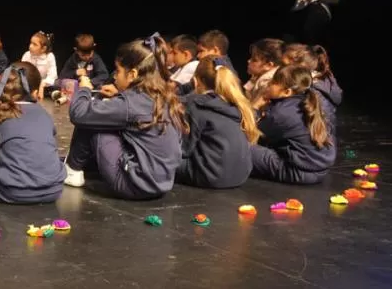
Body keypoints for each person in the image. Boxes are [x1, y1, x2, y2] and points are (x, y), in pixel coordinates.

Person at [63, 34, 188, 199]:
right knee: (106, 115)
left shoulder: (131, 103)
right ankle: (88, 166)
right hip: (162, 184)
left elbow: (78, 113)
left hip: (132, 184)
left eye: (119, 71)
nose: (115, 76)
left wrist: (84, 88)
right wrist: (119, 95)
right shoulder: (165, 97)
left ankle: (73, 170)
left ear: (133, 74)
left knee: (94, 117)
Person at [0, 62, 65, 204]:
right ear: (35, 93)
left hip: (13, 191)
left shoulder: (2, 115)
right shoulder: (45, 116)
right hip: (53, 190)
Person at [177, 56, 260, 189]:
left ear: (196, 81)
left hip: (210, 176)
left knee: (161, 159)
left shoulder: (196, 106)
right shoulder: (238, 105)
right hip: (240, 175)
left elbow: (184, 150)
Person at [250, 64, 335, 184]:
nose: (268, 85)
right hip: (320, 170)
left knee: (241, 148)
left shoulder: (281, 113)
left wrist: (255, 107)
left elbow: (252, 133)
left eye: (273, 82)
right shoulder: (308, 102)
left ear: (287, 92)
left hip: (299, 171)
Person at [20, 32, 61, 103]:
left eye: (34, 44)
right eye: (31, 43)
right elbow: (22, 73)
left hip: (45, 85)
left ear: (43, 49)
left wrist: (42, 84)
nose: (30, 46)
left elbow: (52, 75)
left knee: (57, 84)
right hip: (30, 85)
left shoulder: (49, 57)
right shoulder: (27, 55)